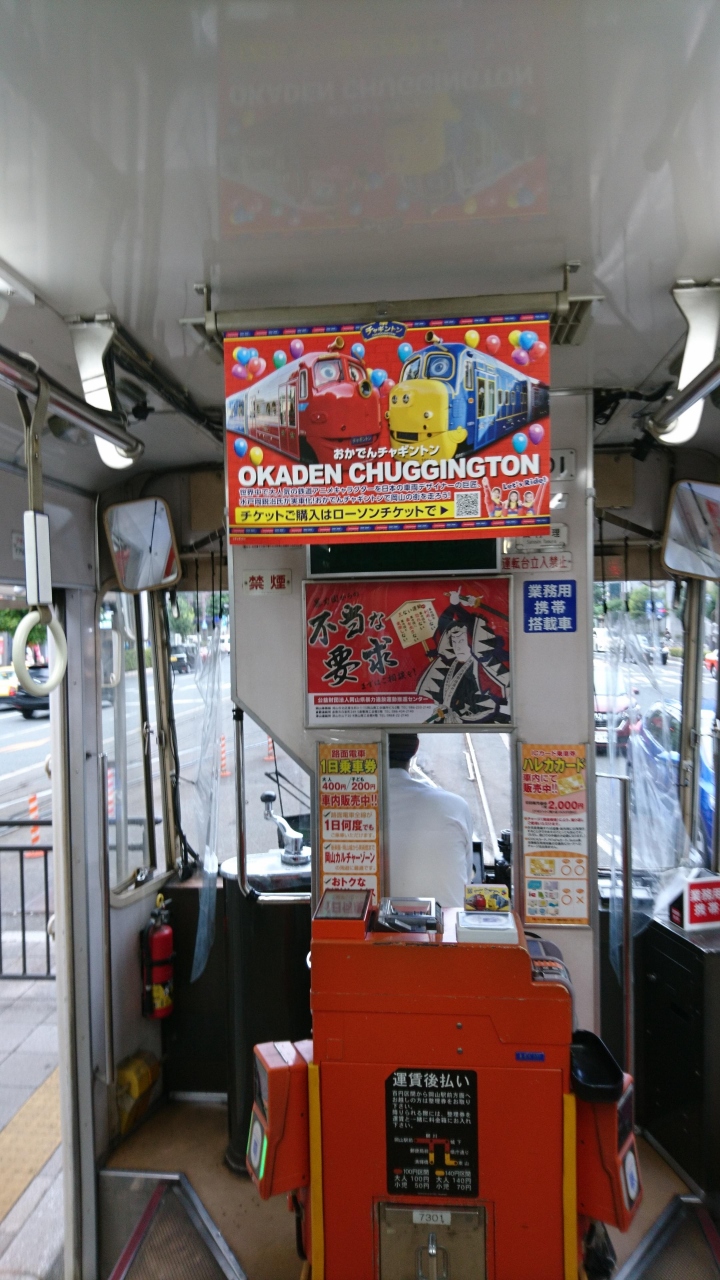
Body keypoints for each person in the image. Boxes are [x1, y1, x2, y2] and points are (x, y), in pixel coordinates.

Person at [387, 733, 473, 908]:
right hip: (446, 924)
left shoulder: (350, 809)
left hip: (370, 924)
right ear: (415, 747)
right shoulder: (456, 807)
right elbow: (466, 877)